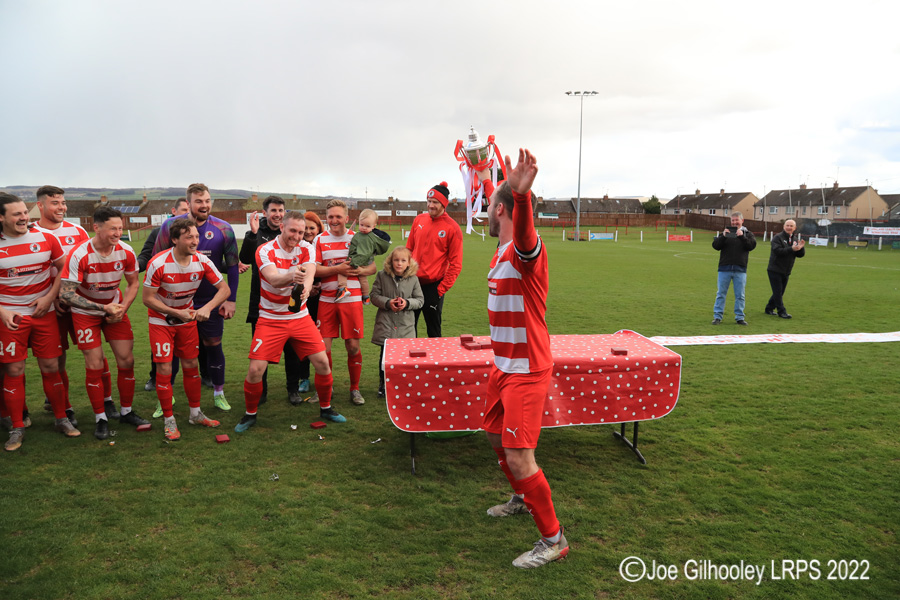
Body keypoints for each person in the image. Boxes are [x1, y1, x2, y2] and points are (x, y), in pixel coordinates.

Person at [477, 149, 569, 569]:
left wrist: (521, 196)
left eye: (490, 206)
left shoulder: (521, 251)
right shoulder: (499, 252)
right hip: (503, 366)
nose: (486, 211)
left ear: (500, 210)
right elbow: (496, 204)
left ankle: (553, 539)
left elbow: (527, 239)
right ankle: (520, 496)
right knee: (495, 436)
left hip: (526, 369)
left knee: (519, 455)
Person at [235, 211, 343, 432]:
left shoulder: (306, 247)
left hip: (299, 317)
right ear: (282, 227)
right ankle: (250, 414)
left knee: (322, 363)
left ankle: (326, 408)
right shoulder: (265, 250)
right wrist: (292, 276)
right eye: (293, 230)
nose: (297, 236)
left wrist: (307, 287)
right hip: (270, 318)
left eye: (301, 232)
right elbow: (273, 279)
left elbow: (310, 273)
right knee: (255, 370)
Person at [60, 206, 148, 440]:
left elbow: (133, 283)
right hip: (85, 313)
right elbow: (66, 294)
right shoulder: (79, 254)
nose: (118, 233)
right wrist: (102, 308)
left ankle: (127, 412)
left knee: (127, 360)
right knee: (94, 365)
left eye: (120, 228)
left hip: (115, 310)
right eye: (112, 229)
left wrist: (122, 308)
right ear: (96, 228)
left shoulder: (126, 251)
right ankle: (101, 418)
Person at [0, 192, 79, 451]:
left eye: (25, 212)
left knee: (51, 366)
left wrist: (49, 297)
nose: (24, 217)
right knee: (14, 370)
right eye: (17, 214)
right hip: (11, 318)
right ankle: (17, 427)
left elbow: (63, 268)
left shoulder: (45, 238)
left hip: (44, 314)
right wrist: (2, 311)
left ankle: (61, 419)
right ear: (1, 218)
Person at [152, 183, 239, 411]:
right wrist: (161, 302)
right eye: (199, 201)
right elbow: (157, 260)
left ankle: (219, 392)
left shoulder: (224, 228)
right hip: (175, 301)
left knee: (213, 343)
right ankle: (167, 397)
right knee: (172, 350)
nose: (204, 205)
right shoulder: (170, 226)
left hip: (211, 300)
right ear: (188, 203)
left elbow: (232, 267)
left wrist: (231, 300)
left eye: (207, 201)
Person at [142, 218, 231, 441]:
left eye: (197, 236)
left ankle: (195, 414)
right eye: (189, 237)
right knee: (164, 369)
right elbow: (147, 299)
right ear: (175, 239)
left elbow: (224, 289)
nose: (195, 241)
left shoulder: (202, 260)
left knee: (191, 366)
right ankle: (169, 420)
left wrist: (208, 308)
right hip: (161, 321)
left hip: (187, 319)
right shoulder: (158, 263)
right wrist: (175, 312)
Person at [239, 195, 305, 405]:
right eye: (274, 210)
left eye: (281, 210)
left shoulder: (291, 232)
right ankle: (261, 391)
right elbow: (245, 259)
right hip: (262, 301)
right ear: (265, 212)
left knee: (292, 350)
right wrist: (253, 234)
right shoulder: (257, 233)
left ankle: (293, 390)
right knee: (262, 353)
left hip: (290, 300)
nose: (277, 214)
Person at [32, 185, 89, 425]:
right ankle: (61, 404)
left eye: (63, 203)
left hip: (77, 303)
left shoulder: (78, 231)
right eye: (55, 203)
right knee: (56, 355)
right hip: (49, 304)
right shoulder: (31, 233)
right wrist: (54, 297)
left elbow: (88, 264)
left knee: (91, 351)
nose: (61, 207)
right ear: (40, 205)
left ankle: (104, 403)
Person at [313, 200, 377, 406]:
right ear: (326, 218)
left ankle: (354, 389)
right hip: (327, 300)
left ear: (347, 218)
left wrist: (358, 270)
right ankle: (327, 387)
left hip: (352, 299)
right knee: (323, 348)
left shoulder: (357, 238)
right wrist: (337, 269)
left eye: (338, 217)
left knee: (353, 347)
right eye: (330, 217)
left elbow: (372, 268)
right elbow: (315, 269)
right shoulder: (319, 239)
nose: (334, 220)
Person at [139, 197, 190, 396]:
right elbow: (147, 256)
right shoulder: (159, 232)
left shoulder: (195, 234)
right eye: (183, 210)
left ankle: (205, 376)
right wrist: (134, 266)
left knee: (198, 340)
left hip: (192, 290)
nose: (187, 214)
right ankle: (157, 377)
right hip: (164, 295)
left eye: (189, 210)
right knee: (162, 341)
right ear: (174, 212)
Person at [406, 181, 463, 338]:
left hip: (434, 287)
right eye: (429, 201)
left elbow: (456, 264)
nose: (430, 205)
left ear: (444, 204)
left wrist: (440, 289)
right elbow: (408, 249)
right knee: (408, 329)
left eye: (435, 202)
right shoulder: (419, 220)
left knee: (434, 332)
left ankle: (436, 356)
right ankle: (410, 356)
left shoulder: (453, 228)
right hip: (412, 283)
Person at [369, 246, 423, 397]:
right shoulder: (382, 276)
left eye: (403, 260)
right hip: (386, 324)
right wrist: (388, 302)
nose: (399, 263)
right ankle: (383, 385)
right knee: (385, 358)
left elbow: (420, 300)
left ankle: (403, 384)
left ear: (408, 263)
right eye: (396, 260)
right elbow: (374, 295)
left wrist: (406, 303)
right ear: (391, 261)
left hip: (405, 326)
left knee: (404, 358)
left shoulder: (413, 279)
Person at [334, 209, 391, 304]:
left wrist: (353, 261)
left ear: (374, 226)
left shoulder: (365, 237)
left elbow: (362, 252)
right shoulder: (370, 237)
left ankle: (342, 288)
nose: (364, 228)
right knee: (363, 279)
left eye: (367, 226)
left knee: (342, 271)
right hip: (365, 263)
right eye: (362, 225)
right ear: (359, 222)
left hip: (357, 261)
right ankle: (366, 296)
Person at [711, 212, 757, 325]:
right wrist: (723, 236)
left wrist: (742, 237)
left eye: (737, 220)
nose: (734, 222)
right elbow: (715, 246)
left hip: (740, 269)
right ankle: (717, 316)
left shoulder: (748, 234)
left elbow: (751, 246)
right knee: (721, 294)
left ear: (742, 221)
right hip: (724, 268)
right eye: (732, 220)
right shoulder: (725, 233)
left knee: (740, 295)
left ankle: (740, 317)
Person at [297, 211, 324, 395]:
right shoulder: (296, 247)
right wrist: (307, 288)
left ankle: (322, 377)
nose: (308, 231)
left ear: (319, 228)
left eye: (312, 228)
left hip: (323, 300)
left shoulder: (323, 244)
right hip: (302, 299)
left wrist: (319, 285)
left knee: (320, 341)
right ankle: (304, 377)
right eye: (304, 228)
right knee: (302, 340)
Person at [765, 219, 805, 319]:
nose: (789, 227)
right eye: (787, 225)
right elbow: (777, 251)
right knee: (778, 292)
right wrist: (792, 249)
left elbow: (800, 255)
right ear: (784, 226)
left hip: (786, 270)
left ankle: (769, 308)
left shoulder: (795, 239)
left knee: (780, 292)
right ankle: (781, 311)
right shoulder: (777, 238)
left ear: (795, 228)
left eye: (791, 226)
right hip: (774, 269)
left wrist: (801, 248)